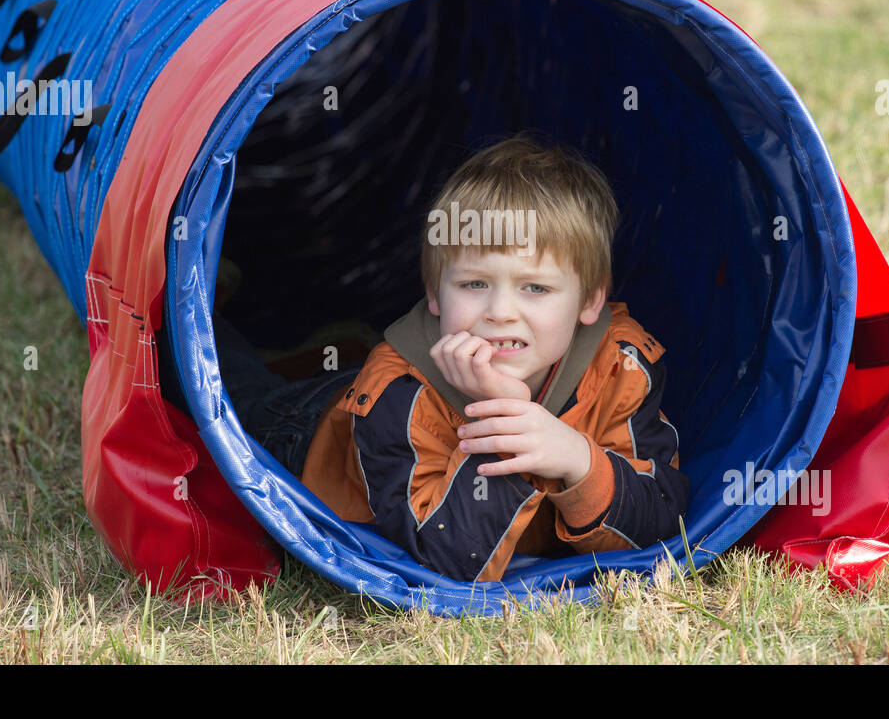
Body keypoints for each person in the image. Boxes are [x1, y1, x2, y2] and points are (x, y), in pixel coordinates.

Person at [289, 133, 690, 582]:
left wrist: (579, 459)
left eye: (535, 288)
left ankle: (323, 350)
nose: (500, 313)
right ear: (434, 292)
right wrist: (505, 424)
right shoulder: (396, 394)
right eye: (475, 284)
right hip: (301, 426)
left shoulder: (621, 365)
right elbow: (445, 559)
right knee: (244, 385)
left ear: (590, 301)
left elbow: (662, 519)